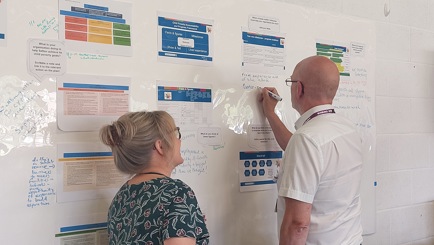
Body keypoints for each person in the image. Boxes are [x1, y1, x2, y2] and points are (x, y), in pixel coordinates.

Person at [259, 55, 363, 245]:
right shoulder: (348, 128)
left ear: (299, 88)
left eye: (291, 82)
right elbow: (301, 150)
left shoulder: (307, 140)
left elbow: (297, 223)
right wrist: (270, 114)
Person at [100, 111, 209, 245]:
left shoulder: (121, 196)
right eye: (176, 134)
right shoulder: (177, 193)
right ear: (160, 146)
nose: (179, 141)